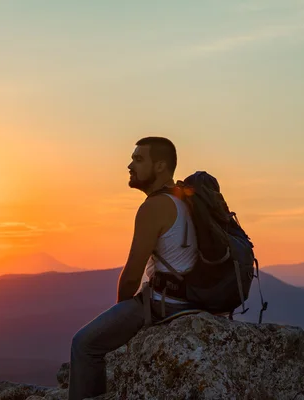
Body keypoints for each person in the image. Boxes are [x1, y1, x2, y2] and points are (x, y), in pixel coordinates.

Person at [68, 136, 199, 400]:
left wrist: (121, 311)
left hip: (167, 304)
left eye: (139, 159)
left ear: (160, 166)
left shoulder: (153, 207)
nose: (130, 165)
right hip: (194, 299)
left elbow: (131, 276)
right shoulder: (185, 199)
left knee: (84, 344)